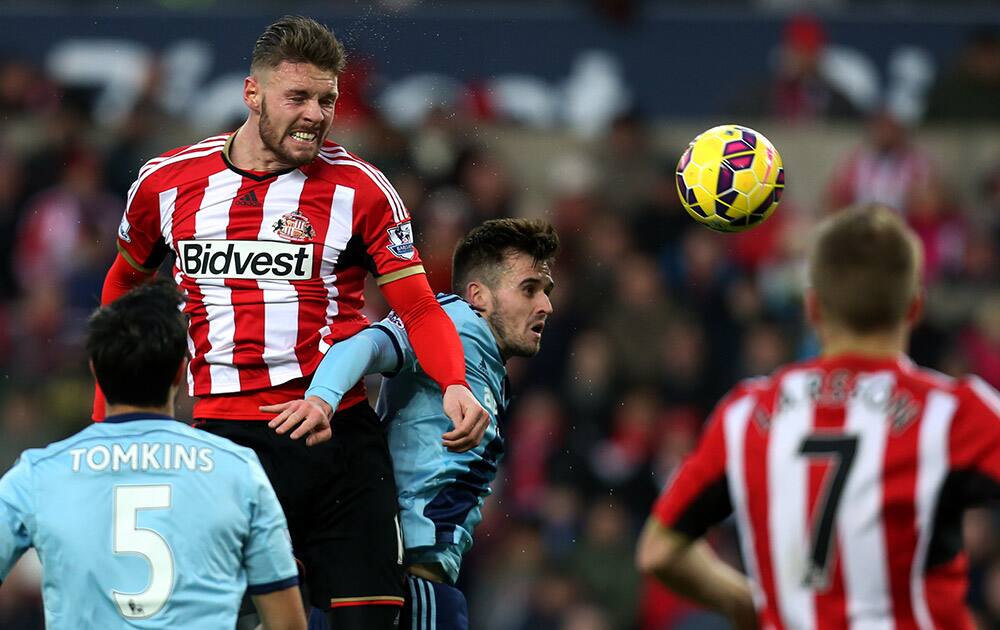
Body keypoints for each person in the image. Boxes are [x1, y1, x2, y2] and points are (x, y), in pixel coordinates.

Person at [96, 15, 488, 629]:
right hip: (223, 449)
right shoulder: (166, 184)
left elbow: (416, 307)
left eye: (327, 99)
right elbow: (122, 292)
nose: (315, 114)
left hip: (338, 444)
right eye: (298, 97)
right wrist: (110, 423)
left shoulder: (361, 189)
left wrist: (456, 382)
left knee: (375, 620)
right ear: (253, 94)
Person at [636, 205, 1000, 629]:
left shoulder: (746, 414)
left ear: (812, 308)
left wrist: (745, 603)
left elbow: (658, 550)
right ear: (914, 308)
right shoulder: (952, 415)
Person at [264, 218, 559, 630]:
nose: (545, 305)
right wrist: (322, 399)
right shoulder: (452, 322)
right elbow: (368, 344)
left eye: (546, 291)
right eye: (529, 289)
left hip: (408, 579)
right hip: (402, 582)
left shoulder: (486, 360)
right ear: (479, 296)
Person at [0, 280, 307, 630]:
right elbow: (287, 624)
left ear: (95, 370)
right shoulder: (238, 472)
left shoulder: (38, 475)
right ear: (181, 370)